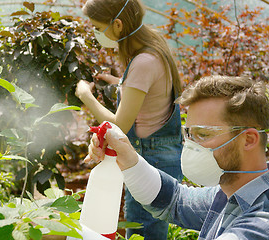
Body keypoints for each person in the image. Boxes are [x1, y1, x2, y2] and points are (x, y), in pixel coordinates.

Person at [87, 76, 269, 239]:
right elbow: (175, 201)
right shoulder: (237, 193)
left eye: (203, 134)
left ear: (249, 140)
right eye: (188, 134)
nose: (191, 146)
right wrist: (127, 157)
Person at [74, 0, 183, 239]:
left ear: (118, 25)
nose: (94, 32)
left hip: (150, 156)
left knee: (142, 231)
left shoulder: (143, 61)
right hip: (160, 152)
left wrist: (86, 96)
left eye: (96, 27)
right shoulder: (153, 44)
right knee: (147, 228)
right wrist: (117, 83)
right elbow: (149, 93)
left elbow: (119, 125)